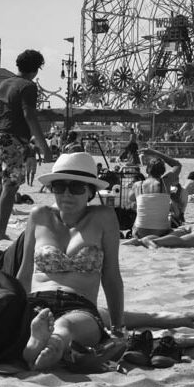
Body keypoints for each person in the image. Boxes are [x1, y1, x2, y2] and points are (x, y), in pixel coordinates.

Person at [17, 152, 124, 371]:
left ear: (90, 192)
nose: (67, 194)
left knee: (66, 324)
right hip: (37, 301)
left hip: (79, 305)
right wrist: (12, 306)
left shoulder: (103, 217)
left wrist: (117, 326)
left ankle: (45, 344)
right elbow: (25, 272)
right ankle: (43, 343)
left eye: (76, 187)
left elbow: (111, 275)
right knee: (47, 322)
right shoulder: (39, 215)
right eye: (59, 186)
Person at [0, 49, 53, 242]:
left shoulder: (4, 84)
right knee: (11, 186)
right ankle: (0, 232)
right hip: (11, 137)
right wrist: (44, 146)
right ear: (37, 69)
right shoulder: (28, 86)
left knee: (1, 184)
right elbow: (29, 116)